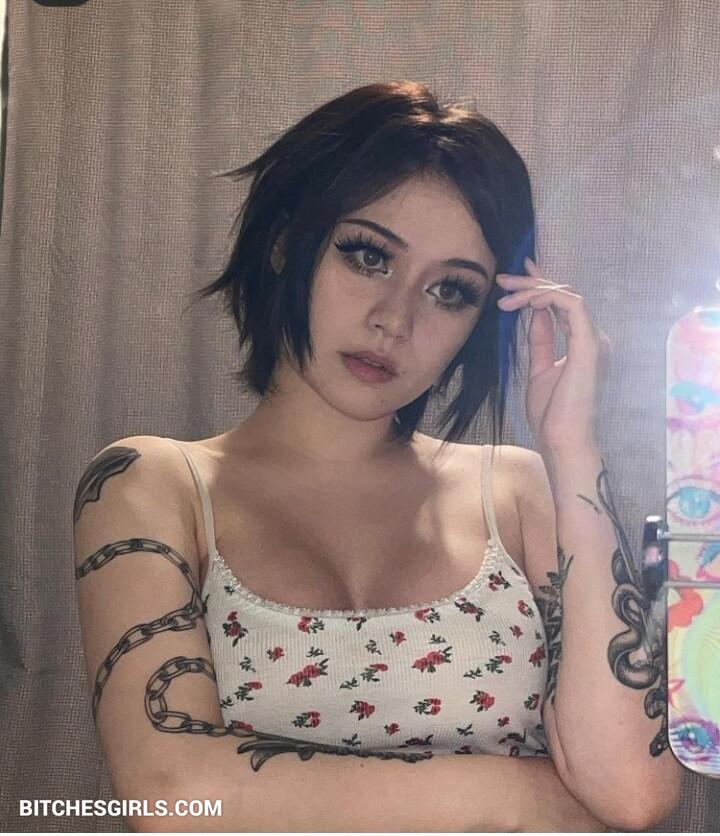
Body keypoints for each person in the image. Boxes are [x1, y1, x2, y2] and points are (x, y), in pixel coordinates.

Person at [72, 80, 681, 832]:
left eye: (451, 291)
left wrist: (572, 445)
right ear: (285, 240)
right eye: (368, 256)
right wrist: (526, 798)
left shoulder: (517, 491)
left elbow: (634, 794)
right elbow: (171, 796)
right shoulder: (149, 484)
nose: (396, 319)